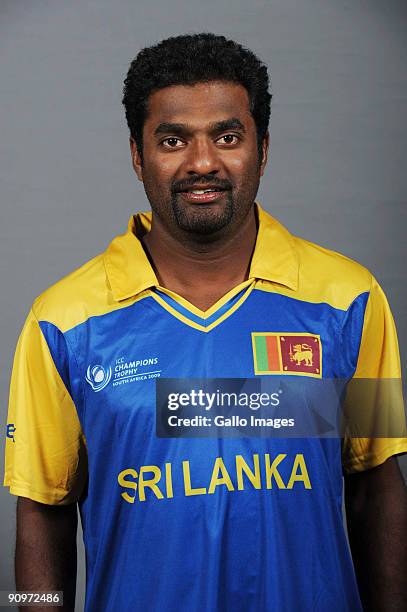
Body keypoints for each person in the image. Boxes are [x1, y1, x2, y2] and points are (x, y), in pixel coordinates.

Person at [4, 33, 407, 612]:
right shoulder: (62, 321)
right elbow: (41, 513)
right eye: (173, 140)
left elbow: (377, 487)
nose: (202, 162)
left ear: (262, 149)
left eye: (227, 136)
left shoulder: (350, 299)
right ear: (138, 155)